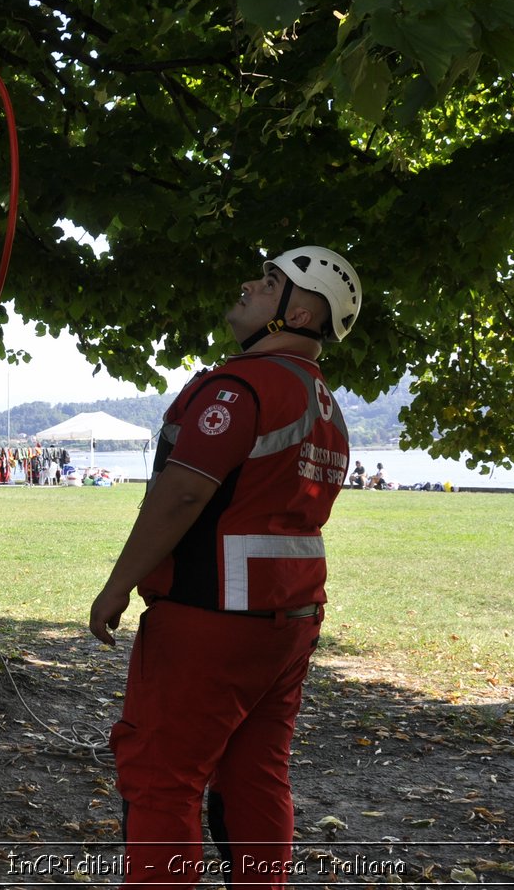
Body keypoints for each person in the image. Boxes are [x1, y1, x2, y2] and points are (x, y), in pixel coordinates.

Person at [88, 245, 361, 887]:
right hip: (289, 619)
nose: (246, 286)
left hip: (211, 613)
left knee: (159, 778)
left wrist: (116, 585)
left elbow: (183, 492)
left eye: (267, 283)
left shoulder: (241, 386)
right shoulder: (323, 400)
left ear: (300, 310)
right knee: (255, 772)